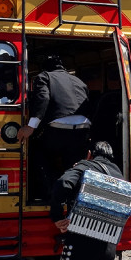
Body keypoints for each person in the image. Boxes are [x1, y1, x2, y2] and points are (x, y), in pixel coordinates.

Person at [21, 55, 91, 198]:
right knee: (73, 163)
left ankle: (49, 193)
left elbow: (43, 98)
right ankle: (72, 196)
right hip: (83, 127)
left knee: (37, 152)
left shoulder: (44, 76)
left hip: (59, 126)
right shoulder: (79, 80)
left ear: (44, 68)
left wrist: (31, 126)